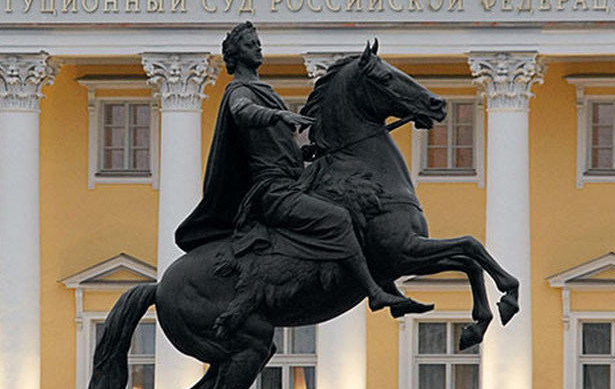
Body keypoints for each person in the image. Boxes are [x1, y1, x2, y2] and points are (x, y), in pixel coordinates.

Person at [175, 22, 430, 321]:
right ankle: (374, 293)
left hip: (294, 181)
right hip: (273, 191)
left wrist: (304, 150)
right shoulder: (239, 90)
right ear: (234, 54)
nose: (258, 47)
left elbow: (278, 146)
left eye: (258, 42)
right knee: (337, 218)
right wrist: (277, 114)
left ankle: (389, 288)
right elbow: (242, 111)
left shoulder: (263, 89)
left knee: (360, 210)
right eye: (249, 44)